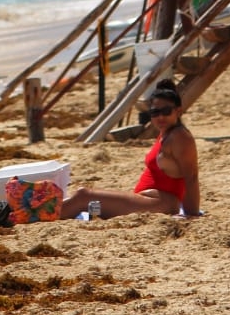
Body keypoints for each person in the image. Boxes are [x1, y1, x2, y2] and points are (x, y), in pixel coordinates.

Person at [60, 79, 201, 218]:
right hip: (147, 201)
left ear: (178, 111)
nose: (160, 117)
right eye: (155, 112)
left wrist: (192, 214)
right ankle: (46, 212)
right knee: (87, 203)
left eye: (166, 111)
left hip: (161, 204)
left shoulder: (180, 137)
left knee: (83, 196)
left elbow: (191, 177)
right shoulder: (166, 132)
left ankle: (42, 216)